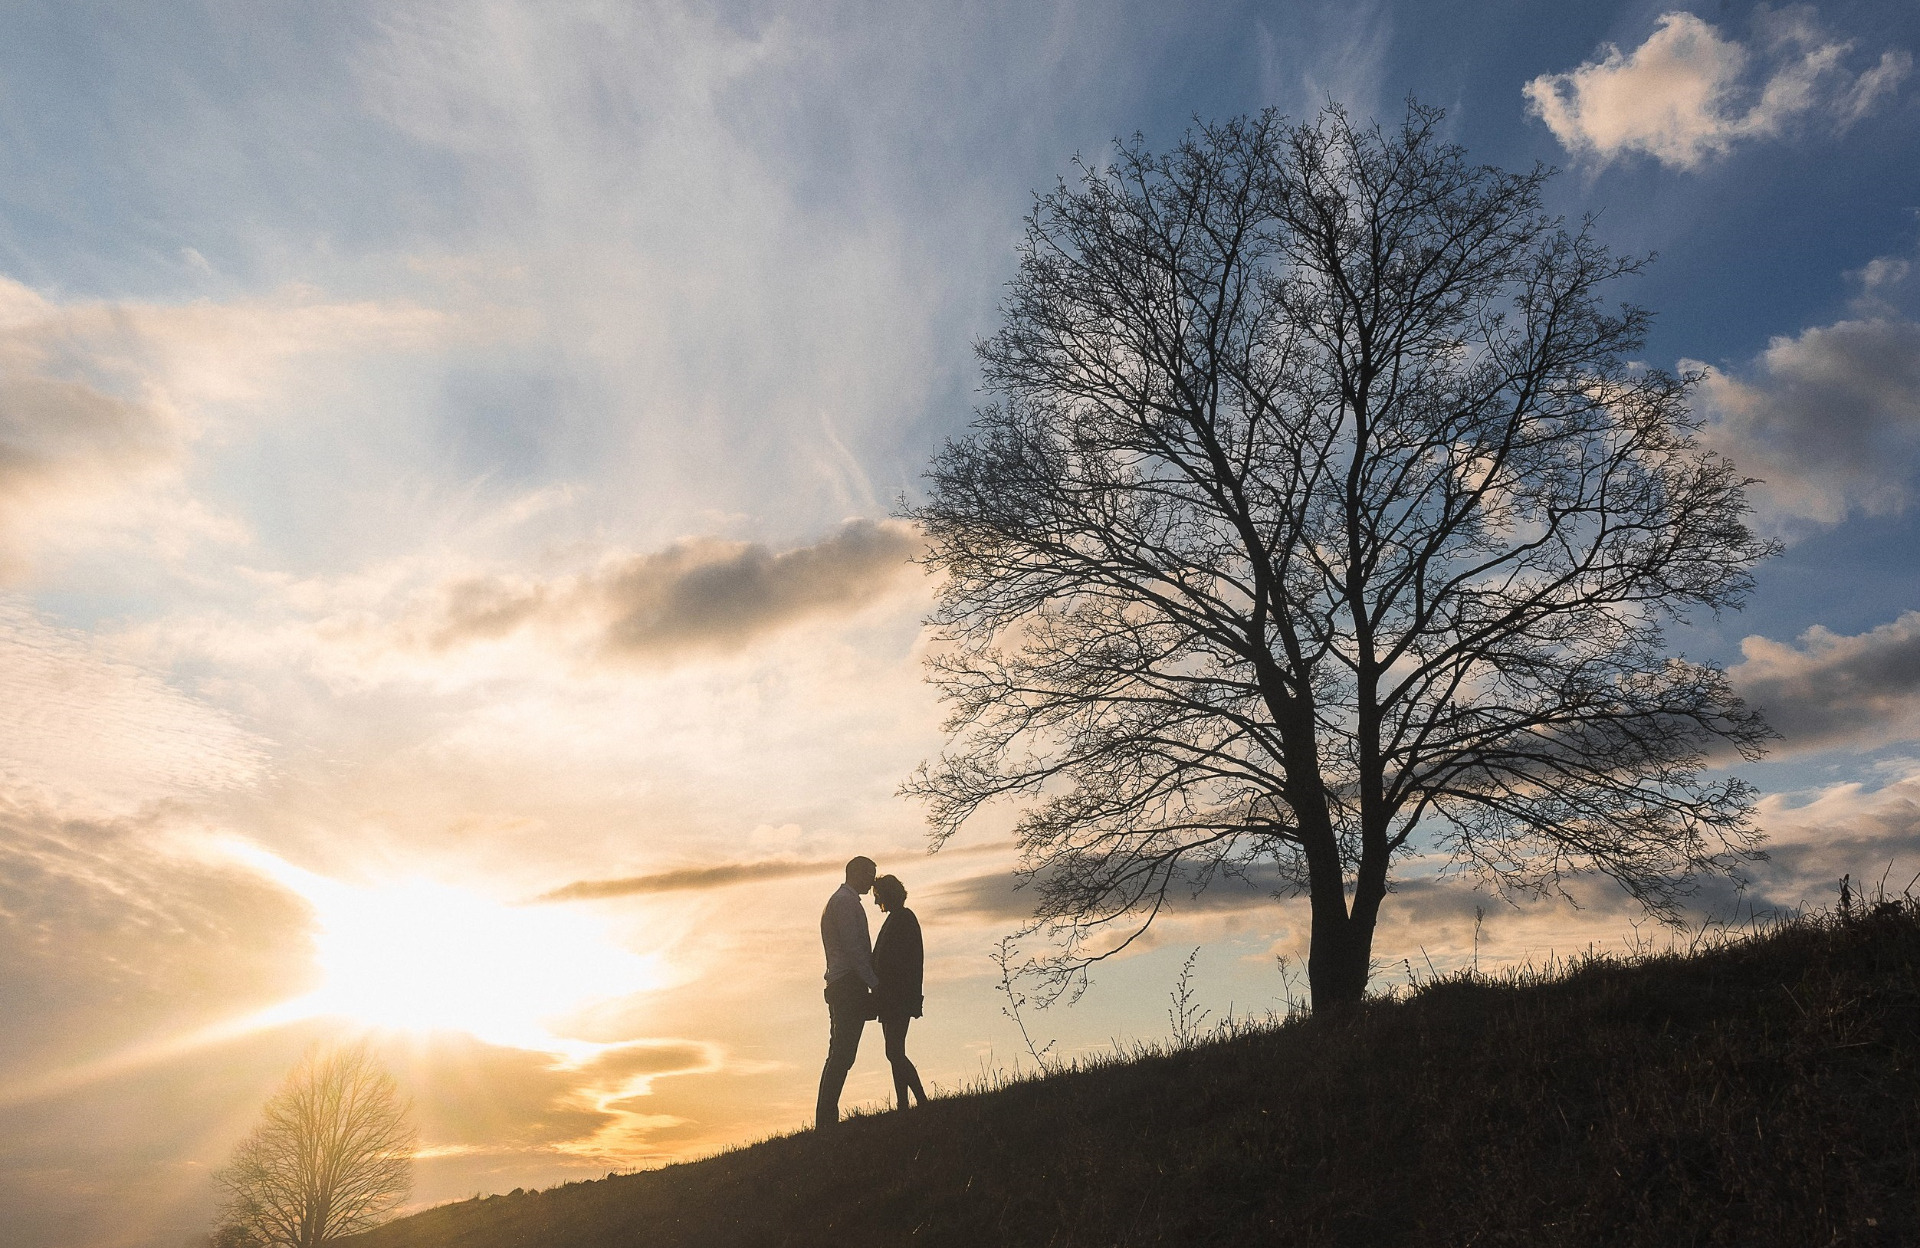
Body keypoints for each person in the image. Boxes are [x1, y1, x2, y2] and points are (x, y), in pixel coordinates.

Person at [816, 855, 879, 1130]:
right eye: (870, 874)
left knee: (841, 1052)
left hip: (846, 984)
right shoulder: (843, 902)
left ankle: (826, 1119)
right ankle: (826, 1120)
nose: (873, 880)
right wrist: (874, 983)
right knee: (842, 1052)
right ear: (856, 873)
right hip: (846, 985)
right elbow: (854, 949)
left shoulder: (845, 901)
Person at [870, 873, 928, 1111]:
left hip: (898, 996)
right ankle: (903, 1103)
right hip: (891, 997)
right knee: (894, 1051)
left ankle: (921, 1100)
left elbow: (898, 961)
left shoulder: (903, 919)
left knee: (893, 1051)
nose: (875, 902)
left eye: (878, 896)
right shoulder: (897, 919)